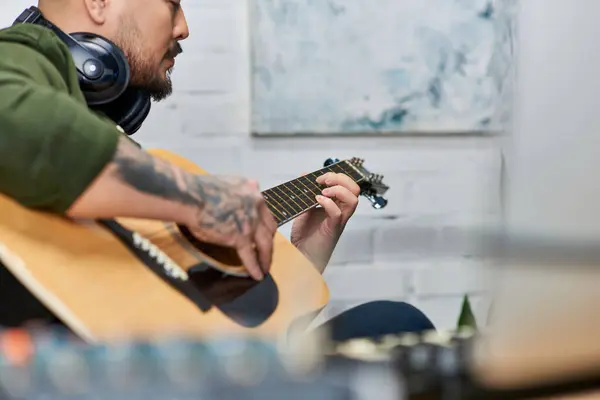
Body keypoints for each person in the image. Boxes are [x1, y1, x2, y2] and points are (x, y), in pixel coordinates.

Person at [0, 0, 435, 340]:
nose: (184, 26)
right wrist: (202, 199)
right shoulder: (24, 55)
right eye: (172, 4)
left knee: (392, 322)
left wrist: (301, 257)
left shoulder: (111, 165)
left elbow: (211, 335)